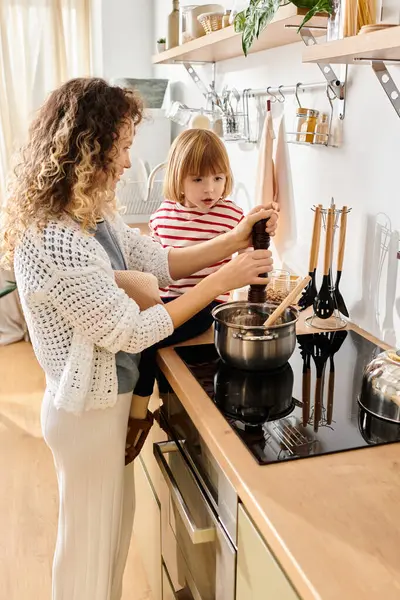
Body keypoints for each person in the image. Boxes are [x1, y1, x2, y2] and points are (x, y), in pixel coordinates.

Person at [0, 77, 278, 600]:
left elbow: (157, 260)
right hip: (85, 415)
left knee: (112, 538)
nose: (129, 161)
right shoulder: (53, 238)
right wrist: (225, 279)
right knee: (86, 549)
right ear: (90, 147)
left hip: (105, 405)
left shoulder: (89, 215)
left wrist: (235, 240)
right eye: (123, 147)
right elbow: (130, 329)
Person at [125, 129, 277, 463]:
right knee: (148, 338)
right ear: (179, 180)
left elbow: (253, 256)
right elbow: (157, 269)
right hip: (168, 303)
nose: (209, 189)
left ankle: (137, 416)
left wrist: (264, 225)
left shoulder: (231, 215)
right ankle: (158, 410)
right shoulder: (163, 215)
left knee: (150, 341)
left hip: (209, 307)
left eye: (218, 178)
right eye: (197, 179)